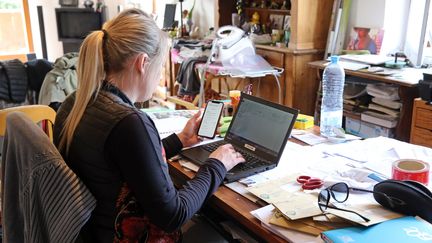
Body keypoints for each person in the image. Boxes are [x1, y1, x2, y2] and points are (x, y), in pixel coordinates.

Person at [53, 8, 244, 242]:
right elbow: (173, 215)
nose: (158, 75)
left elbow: (127, 160)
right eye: (160, 65)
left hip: (89, 232)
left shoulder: (76, 102)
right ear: (143, 63)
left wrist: (180, 140)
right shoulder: (130, 122)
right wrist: (217, 164)